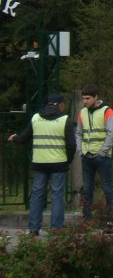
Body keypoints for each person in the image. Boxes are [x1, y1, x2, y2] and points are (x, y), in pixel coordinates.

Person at [7, 94, 76, 235]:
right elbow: (71, 145)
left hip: (39, 164)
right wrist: (67, 160)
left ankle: (34, 229)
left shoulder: (36, 118)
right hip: (58, 164)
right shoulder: (64, 120)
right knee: (57, 195)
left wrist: (15, 138)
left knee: (37, 195)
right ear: (60, 105)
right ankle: (56, 229)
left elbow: (24, 138)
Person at [75, 83, 113, 218]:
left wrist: (102, 152)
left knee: (107, 187)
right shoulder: (82, 113)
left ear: (95, 97)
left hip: (102, 157)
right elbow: (78, 133)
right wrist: (80, 150)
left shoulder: (107, 111)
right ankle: (87, 218)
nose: (84, 101)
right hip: (86, 156)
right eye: (83, 98)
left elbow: (112, 133)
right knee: (87, 189)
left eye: (87, 98)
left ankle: (112, 217)